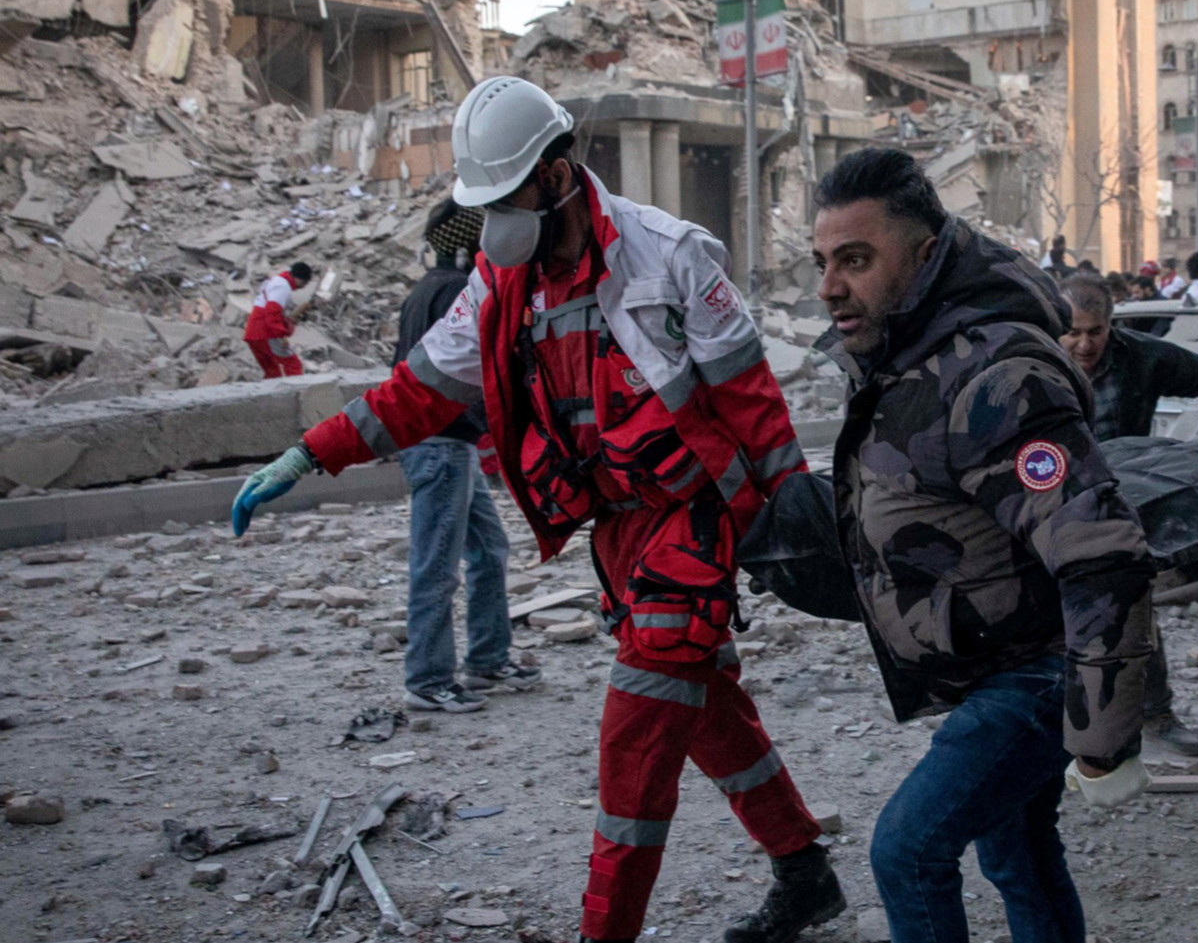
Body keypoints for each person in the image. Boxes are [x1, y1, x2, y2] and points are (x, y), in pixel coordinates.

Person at [230, 76, 839, 943]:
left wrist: (792, 523)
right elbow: (417, 391)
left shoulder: (669, 256)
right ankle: (806, 871)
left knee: (636, 733)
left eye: (503, 199)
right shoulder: (499, 282)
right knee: (704, 711)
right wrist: (308, 452)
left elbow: (753, 403)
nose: (491, 222)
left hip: (692, 522)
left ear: (555, 176)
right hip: (620, 532)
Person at [811, 148, 1155, 943]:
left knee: (908, 850)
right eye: (822, 262)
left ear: (924, 255)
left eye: (855, 260)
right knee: (1017, 849)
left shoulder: (996, 374)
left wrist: (1103, 737)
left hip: (1037, 670)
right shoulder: (910, 353)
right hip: (996, 662)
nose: (829, 286)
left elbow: (1102, 551)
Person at [1058, 273, 1198, 758]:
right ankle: (1067, 726)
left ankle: (1156, 714)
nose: (1084, 344)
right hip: (1051, 508)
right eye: (1074, 332)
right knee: (1056, 623)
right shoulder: (1035, 361)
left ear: (1110, 325)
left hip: (1120, 505)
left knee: (1135, 611)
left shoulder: (1141, 357)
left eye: (1095, 332)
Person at [385, 201, 533, 713]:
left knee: (489, 551)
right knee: (438, 566)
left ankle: (488, 659)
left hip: (449, 444)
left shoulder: (425, 289)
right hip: (441, 445)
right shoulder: (454, 292)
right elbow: (473, 371)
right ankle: (427, 679)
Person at [244, 261, 314, 378]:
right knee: (293, 364)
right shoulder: (283, 286)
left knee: (272, 371)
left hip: (253, 333)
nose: (303, 287)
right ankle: (299, 389)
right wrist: (280, 336)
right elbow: (272, 313)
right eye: (304, 283)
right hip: (265, 333)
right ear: (299, 279)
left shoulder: (277, 281)